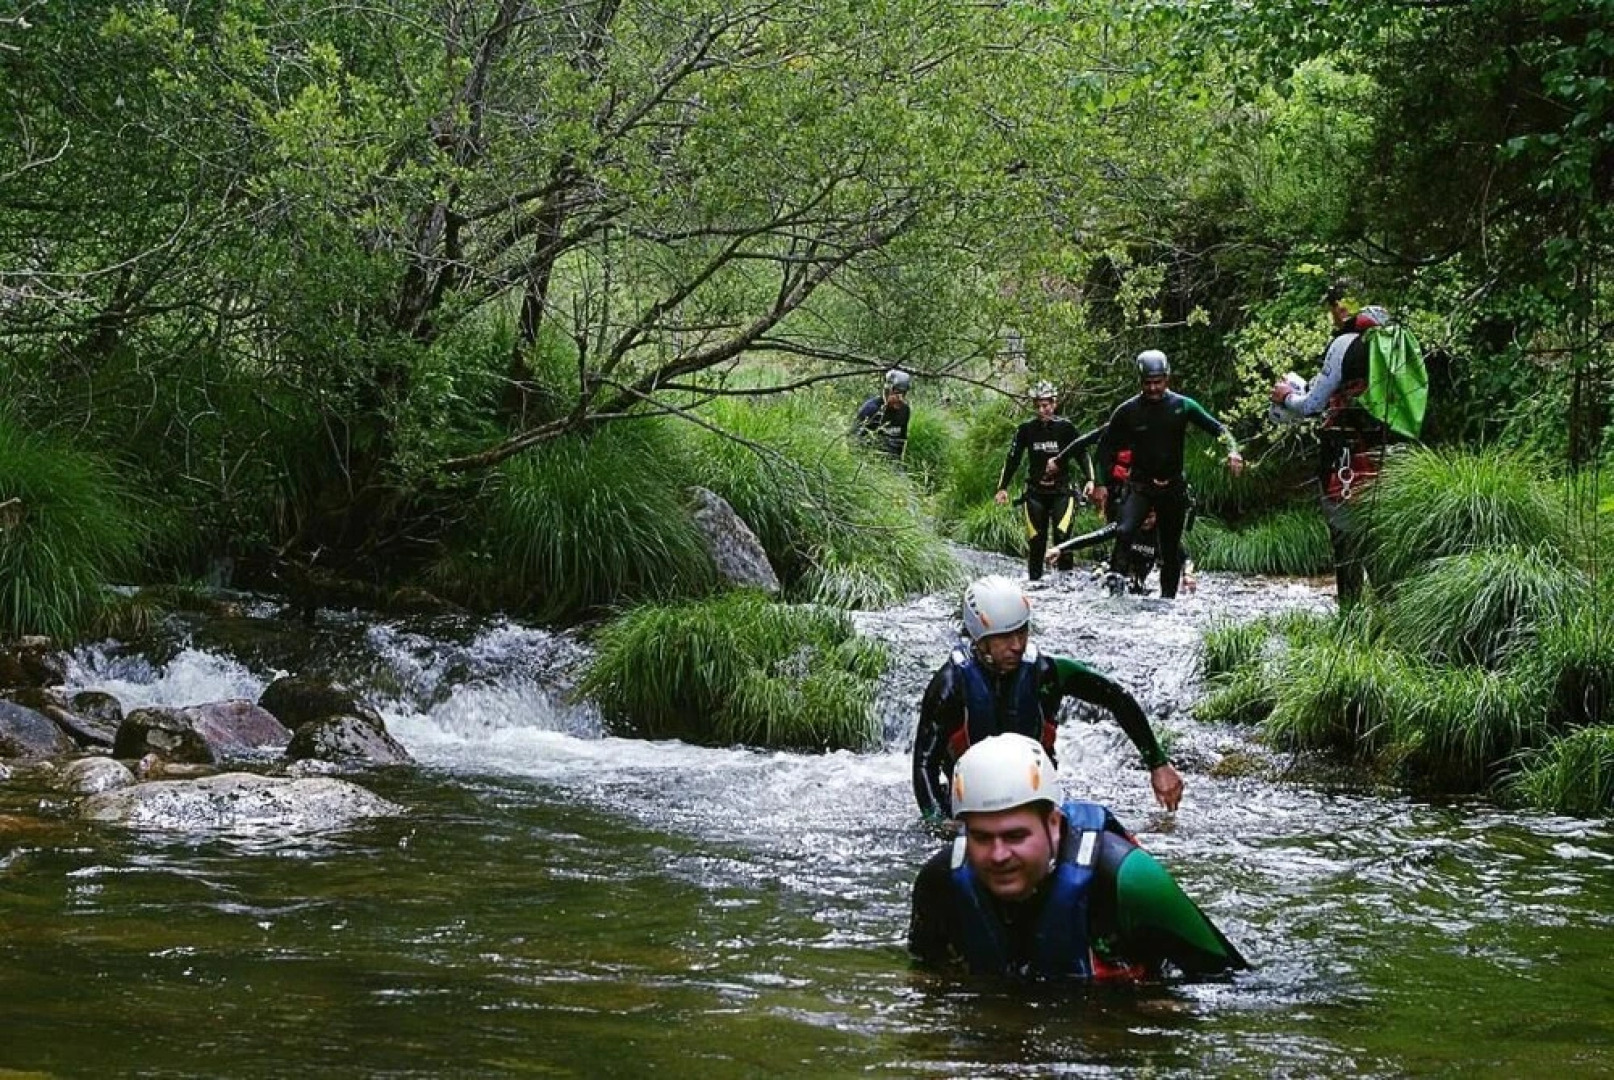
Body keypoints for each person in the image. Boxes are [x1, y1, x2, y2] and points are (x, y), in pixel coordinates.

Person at [907, 733, 1249, 982]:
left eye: (1016, 836)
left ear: (1054, 825)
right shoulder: (941, 883)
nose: (998, 855)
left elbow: (1232, 982)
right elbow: (926, 979)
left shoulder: (1130, 880)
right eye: (981, 837)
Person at [911, 575, 1182, 823]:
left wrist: (1158, 764)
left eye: (1022, 631)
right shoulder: (950, 686)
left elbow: (1117, 698)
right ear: (980, 641)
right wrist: (938, 824)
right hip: (972, 805)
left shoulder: (1047, 673)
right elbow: (924, 764)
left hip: (1036, 798)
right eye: (1005, 637)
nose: (1017, 645)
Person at [1268, 283, 1391, 607]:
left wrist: (1286, 397)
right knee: (1381, 535)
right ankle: (1397, 613)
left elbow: (1312, 405)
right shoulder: (1392, 341)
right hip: (1390, 451)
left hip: (1348, 455)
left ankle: (1349, 618)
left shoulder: (1344, 343)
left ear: (1339, 307)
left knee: (1346, 534)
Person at [1094, 350, 1242, 599]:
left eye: (1158, 382)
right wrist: (1100, 484)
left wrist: (1233, 451)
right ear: (1140, 382)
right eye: (1148, 383)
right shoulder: (1128, 410)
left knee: (1170, 548)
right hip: (1140, 486)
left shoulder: (1182, 405)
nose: (1153, 388)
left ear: (1167, 379)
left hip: (1172, 487)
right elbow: (1104, 446)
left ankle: (1168, 602)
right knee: (1124, 531)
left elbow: (1219, 429)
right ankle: (1115, 595)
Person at [993, 381, 1083, 582]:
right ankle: (1035, 583)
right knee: (1036, 541)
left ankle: (1066, 585)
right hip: (1035, 494)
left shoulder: (1066, 428)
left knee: (1063, 540)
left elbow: (1082, 455)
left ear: (1054, 403)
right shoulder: (1026, 429)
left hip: (1062, 492)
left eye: (1046, 405)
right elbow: (1012, 458)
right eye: (1038, 406)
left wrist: (1092, 481)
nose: (1043, 410)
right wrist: (1002, 487)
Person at [852, 369, 913, 460]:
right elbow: (853, 441)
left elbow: (901, 441)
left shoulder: (904, 411)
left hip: (893, 463)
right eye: (897, 393)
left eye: (903, 394)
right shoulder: (871, 409)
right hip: (871, 462)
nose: (900, 398)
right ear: (888, 391)